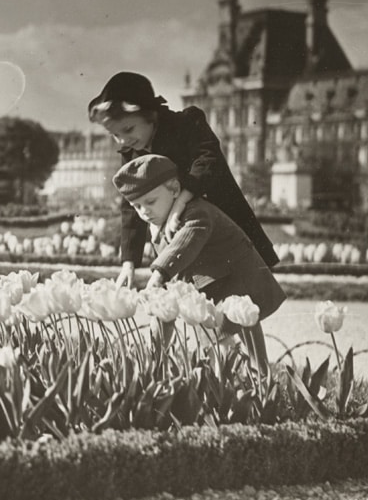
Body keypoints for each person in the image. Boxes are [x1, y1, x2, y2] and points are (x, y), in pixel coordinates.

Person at [88, 71, 278, 288]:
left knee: (238, 297)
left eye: (128, 129)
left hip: (223, 227)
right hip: (184, 239)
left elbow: (209, 160)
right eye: (115, 134)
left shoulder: (186, 123)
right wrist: (128, 263)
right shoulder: (131, 151)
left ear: (149, 114)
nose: (123, 140)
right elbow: (130, 206)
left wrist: (181, 201)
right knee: (196, 300)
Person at [112, 153, 285, 372]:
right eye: (137, 206)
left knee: (238, 324)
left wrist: (158, 275)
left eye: (150, 202)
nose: (144, 212)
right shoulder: (159, 223)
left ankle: (257, 377)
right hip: (209, 284)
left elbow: (183, 245)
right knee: (217, 335)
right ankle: (227, 377)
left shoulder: (196, 212)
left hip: (235, 276)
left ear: (175, 190)